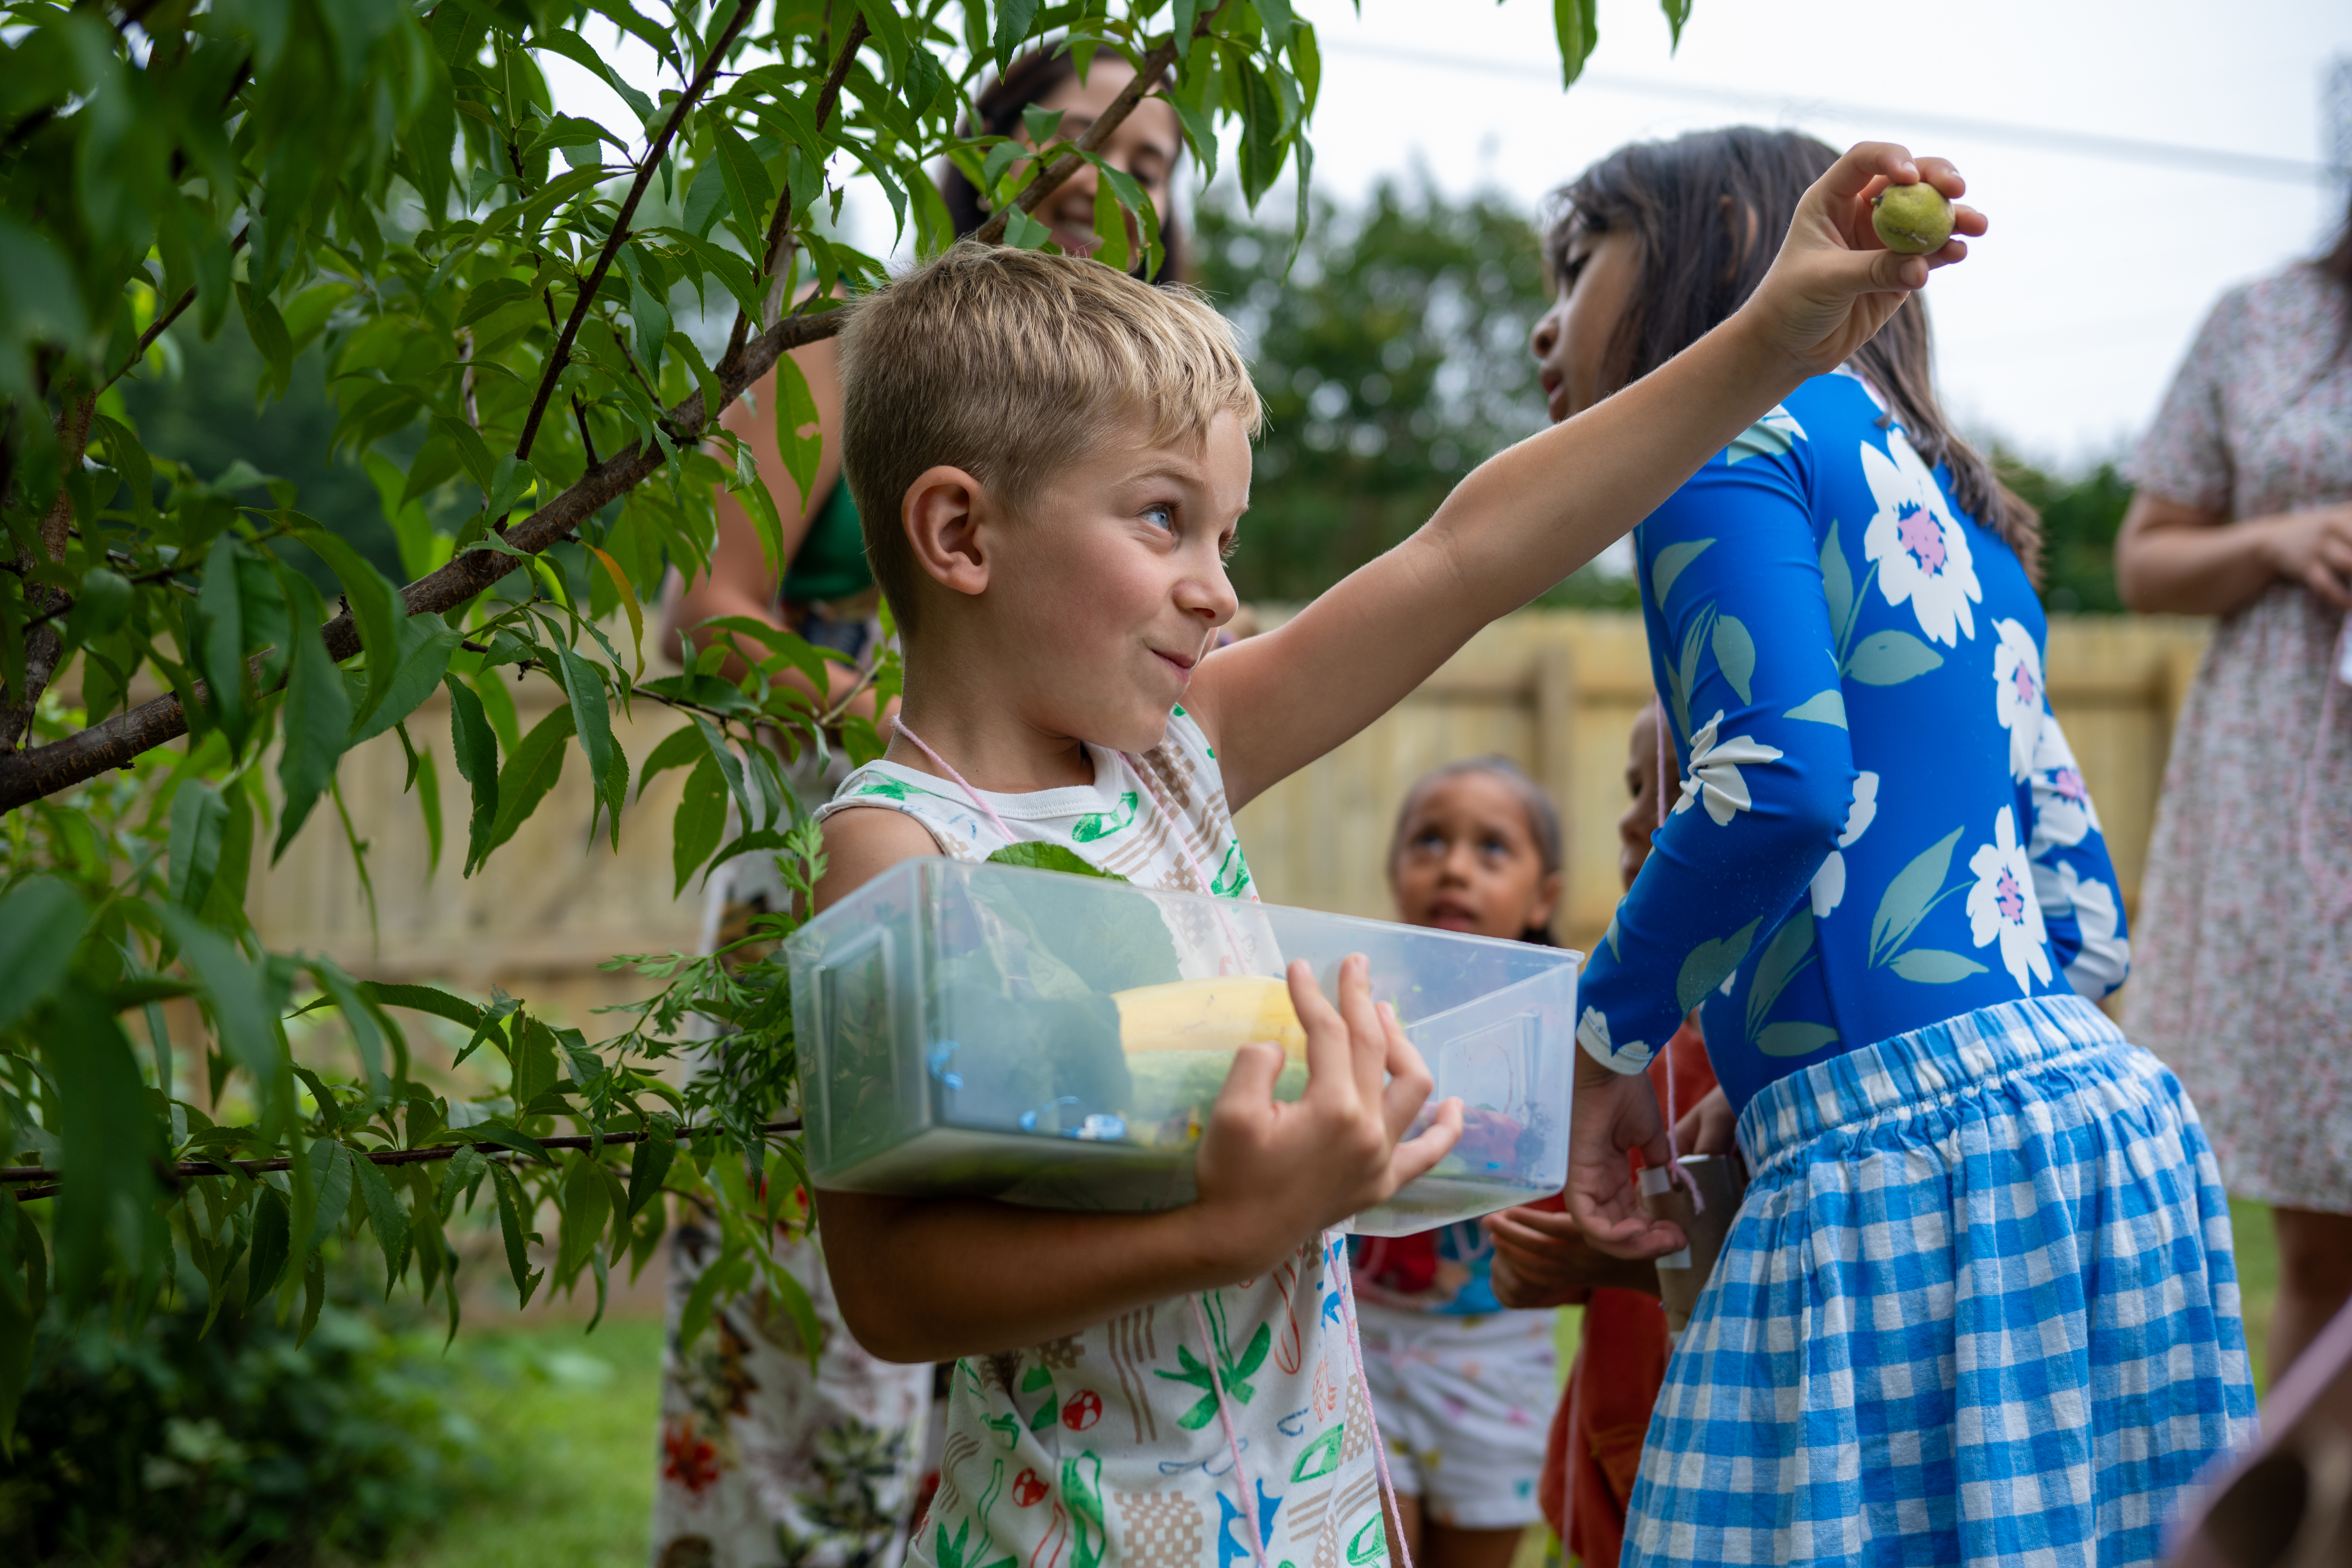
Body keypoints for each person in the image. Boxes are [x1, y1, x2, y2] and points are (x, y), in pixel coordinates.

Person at [808, 138, 1979, 1568]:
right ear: (958, 532)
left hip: (1321, 1524)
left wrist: (1766, 338)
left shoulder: (1176, 758)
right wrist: (1233, 1227)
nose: (1217, 591)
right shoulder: (897, 847)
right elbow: (890, 1290)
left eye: (1226, 535)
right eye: (1164, 518)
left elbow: (1464, 553)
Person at [1521, 128, 2252, 1568]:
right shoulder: (1974, 536)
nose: (1546, 320)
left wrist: (1603, 1044)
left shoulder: (1713, 441)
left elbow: (1778, 788)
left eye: (1572, 261)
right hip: (2105, 1151)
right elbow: (2083, 923)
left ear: (1720, 236)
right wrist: (1779, 1069)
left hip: (1898, 1197)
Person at [648, 49, 1187, 1568]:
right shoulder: (853, 348)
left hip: (1060, 925)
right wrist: (918, 744)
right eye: (1070, 137)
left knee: (1039, 1310)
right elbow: (715, 620)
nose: (1106, 177)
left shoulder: (1157, 403)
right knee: (810, 1359)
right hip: (850, 893)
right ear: (986, 155)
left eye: (1148, 157)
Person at [2110, 191, 2352, 1385]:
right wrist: (2282, 541)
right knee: (2326, 1242)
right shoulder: (2260, 323)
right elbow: (2145, 559)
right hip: (2296, 794)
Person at [1481, 705, 1719, 1568]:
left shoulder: (1772, 1071)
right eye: (1631, 788)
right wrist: (1542, 1255)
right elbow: (1530, 1256)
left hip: (1719, 1493)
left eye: (1676, 785)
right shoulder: (1619, 1045)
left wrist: (1621, 1265)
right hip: (1599, 1491)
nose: (1631, 817)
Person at [1348, 757, 1568, 1568]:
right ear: (1396, 868)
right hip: (1365, 1348)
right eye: (1431, 841)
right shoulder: (1366, 1010)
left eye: (1492, 849)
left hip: (1499, 1365)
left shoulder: (1560, 1032)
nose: (1455, 866)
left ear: (1544, 896)